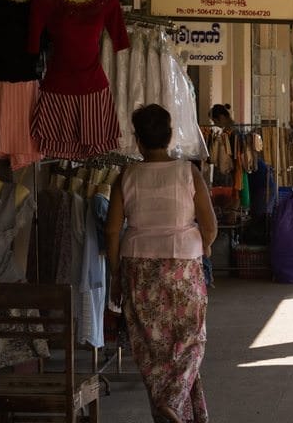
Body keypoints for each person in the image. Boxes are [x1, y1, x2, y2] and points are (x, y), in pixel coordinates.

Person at [106, 104, 217, 423]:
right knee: (189, 340)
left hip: (138, 269)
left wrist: (117, 273)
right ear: (170, 137)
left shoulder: (126, 175)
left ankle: (171, 407)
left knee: (152, 347)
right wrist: (204, 248)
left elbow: (112, 230)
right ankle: (175, 398)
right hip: (182, 266)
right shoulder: (188, 172)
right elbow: (209, 226)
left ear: (138, 141)